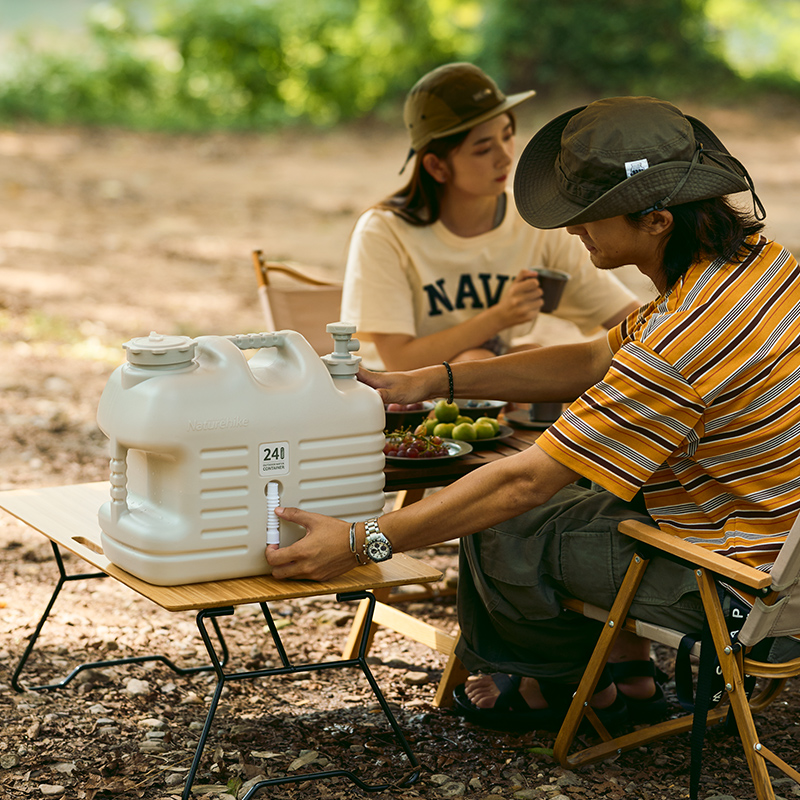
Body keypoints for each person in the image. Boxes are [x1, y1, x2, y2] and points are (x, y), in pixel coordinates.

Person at [267, 96, 800, 730]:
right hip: (771, 544)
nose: (574, 229)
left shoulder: (684, 342)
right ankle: (621, 676)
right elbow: (593, 357)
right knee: (535, 509)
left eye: (591, 215)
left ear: (656, 219)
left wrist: (362, 543)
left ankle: (560, 690)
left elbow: (526, 481)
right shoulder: (763, 268)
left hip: (737, 588)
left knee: (498, 528)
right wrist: (433, 378)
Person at [340, 62, 640, 371]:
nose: (505, 156)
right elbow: (399, 361)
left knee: (529, 354)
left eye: (507, 136)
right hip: (400, 404)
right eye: (483, 149)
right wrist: (499, 317)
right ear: (436, 167)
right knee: (483, 360)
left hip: (487, 391)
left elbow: (627, 317)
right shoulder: (384, 232)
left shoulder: (532, 223)